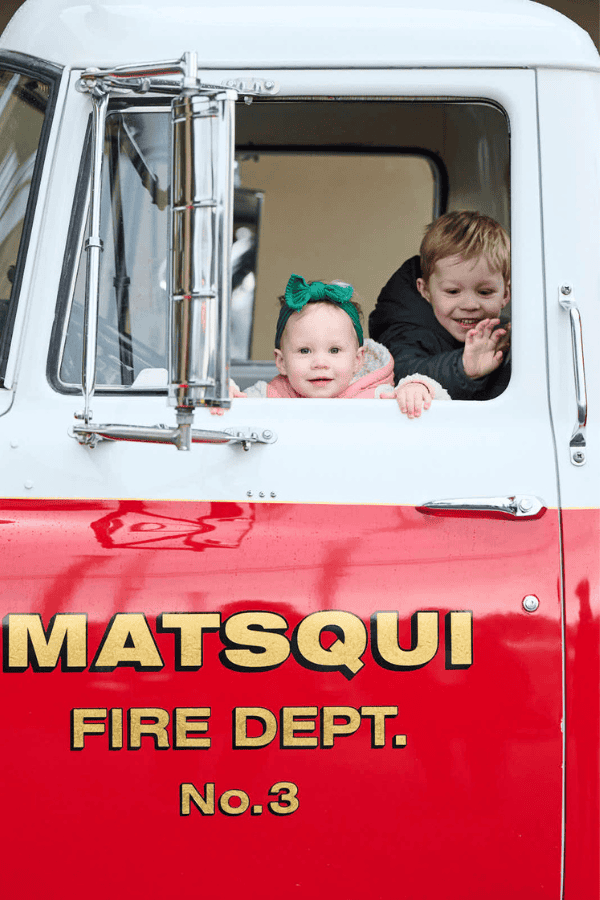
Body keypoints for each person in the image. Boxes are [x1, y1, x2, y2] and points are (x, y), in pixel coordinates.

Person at [214, 274, 449, 417]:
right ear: (281, 362)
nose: (320, 363)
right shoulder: (266, 396)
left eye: (334, 350)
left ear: (358, 360)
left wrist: (417, 389)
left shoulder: (378, 396)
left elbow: (445, 413)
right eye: (305, 351)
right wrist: (226, 397)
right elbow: (231, 422)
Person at [369, 211, 511, 400]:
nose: (470, 305)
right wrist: (462, 368)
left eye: (485, 292)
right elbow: (401, 372)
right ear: (425, 290)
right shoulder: (406, 329)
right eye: (453, 291)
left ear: (506, 294)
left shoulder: (507, 334)